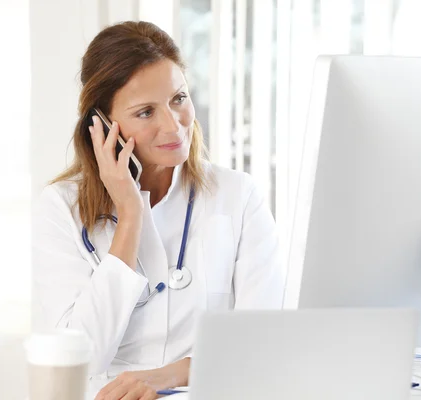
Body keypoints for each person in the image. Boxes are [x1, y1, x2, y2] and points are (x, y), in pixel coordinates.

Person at [32, 20, 285, 400]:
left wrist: (171, 374)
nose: (173, 125)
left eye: (178, 99)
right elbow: (81, 356)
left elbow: (262, 344)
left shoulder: (238, 196)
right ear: (101, 125)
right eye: (146, 112)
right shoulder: (60, 208)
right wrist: (130, 215)